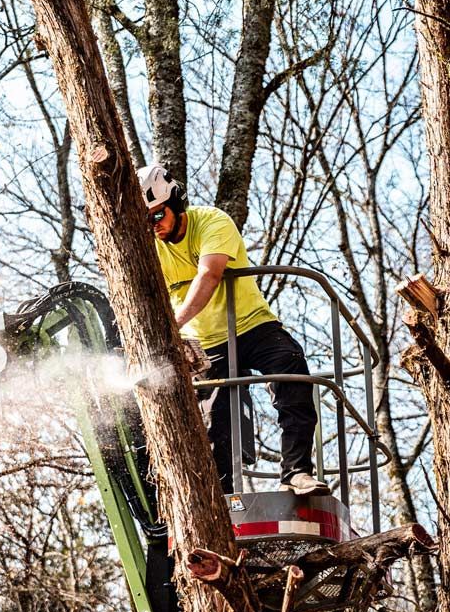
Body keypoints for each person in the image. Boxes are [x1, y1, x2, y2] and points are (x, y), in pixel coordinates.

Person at [138, 162, 329, 497]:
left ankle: (297, 472)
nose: (155, 226)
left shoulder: (211, 221)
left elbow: (209, 275)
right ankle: (220, 496)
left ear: (176, 204)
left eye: (158, 216)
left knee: (290, 369)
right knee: (217, 419)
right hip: (207, 342)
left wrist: (175, 325)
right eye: (147, 220)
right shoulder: (150, 249)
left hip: (252, 326)